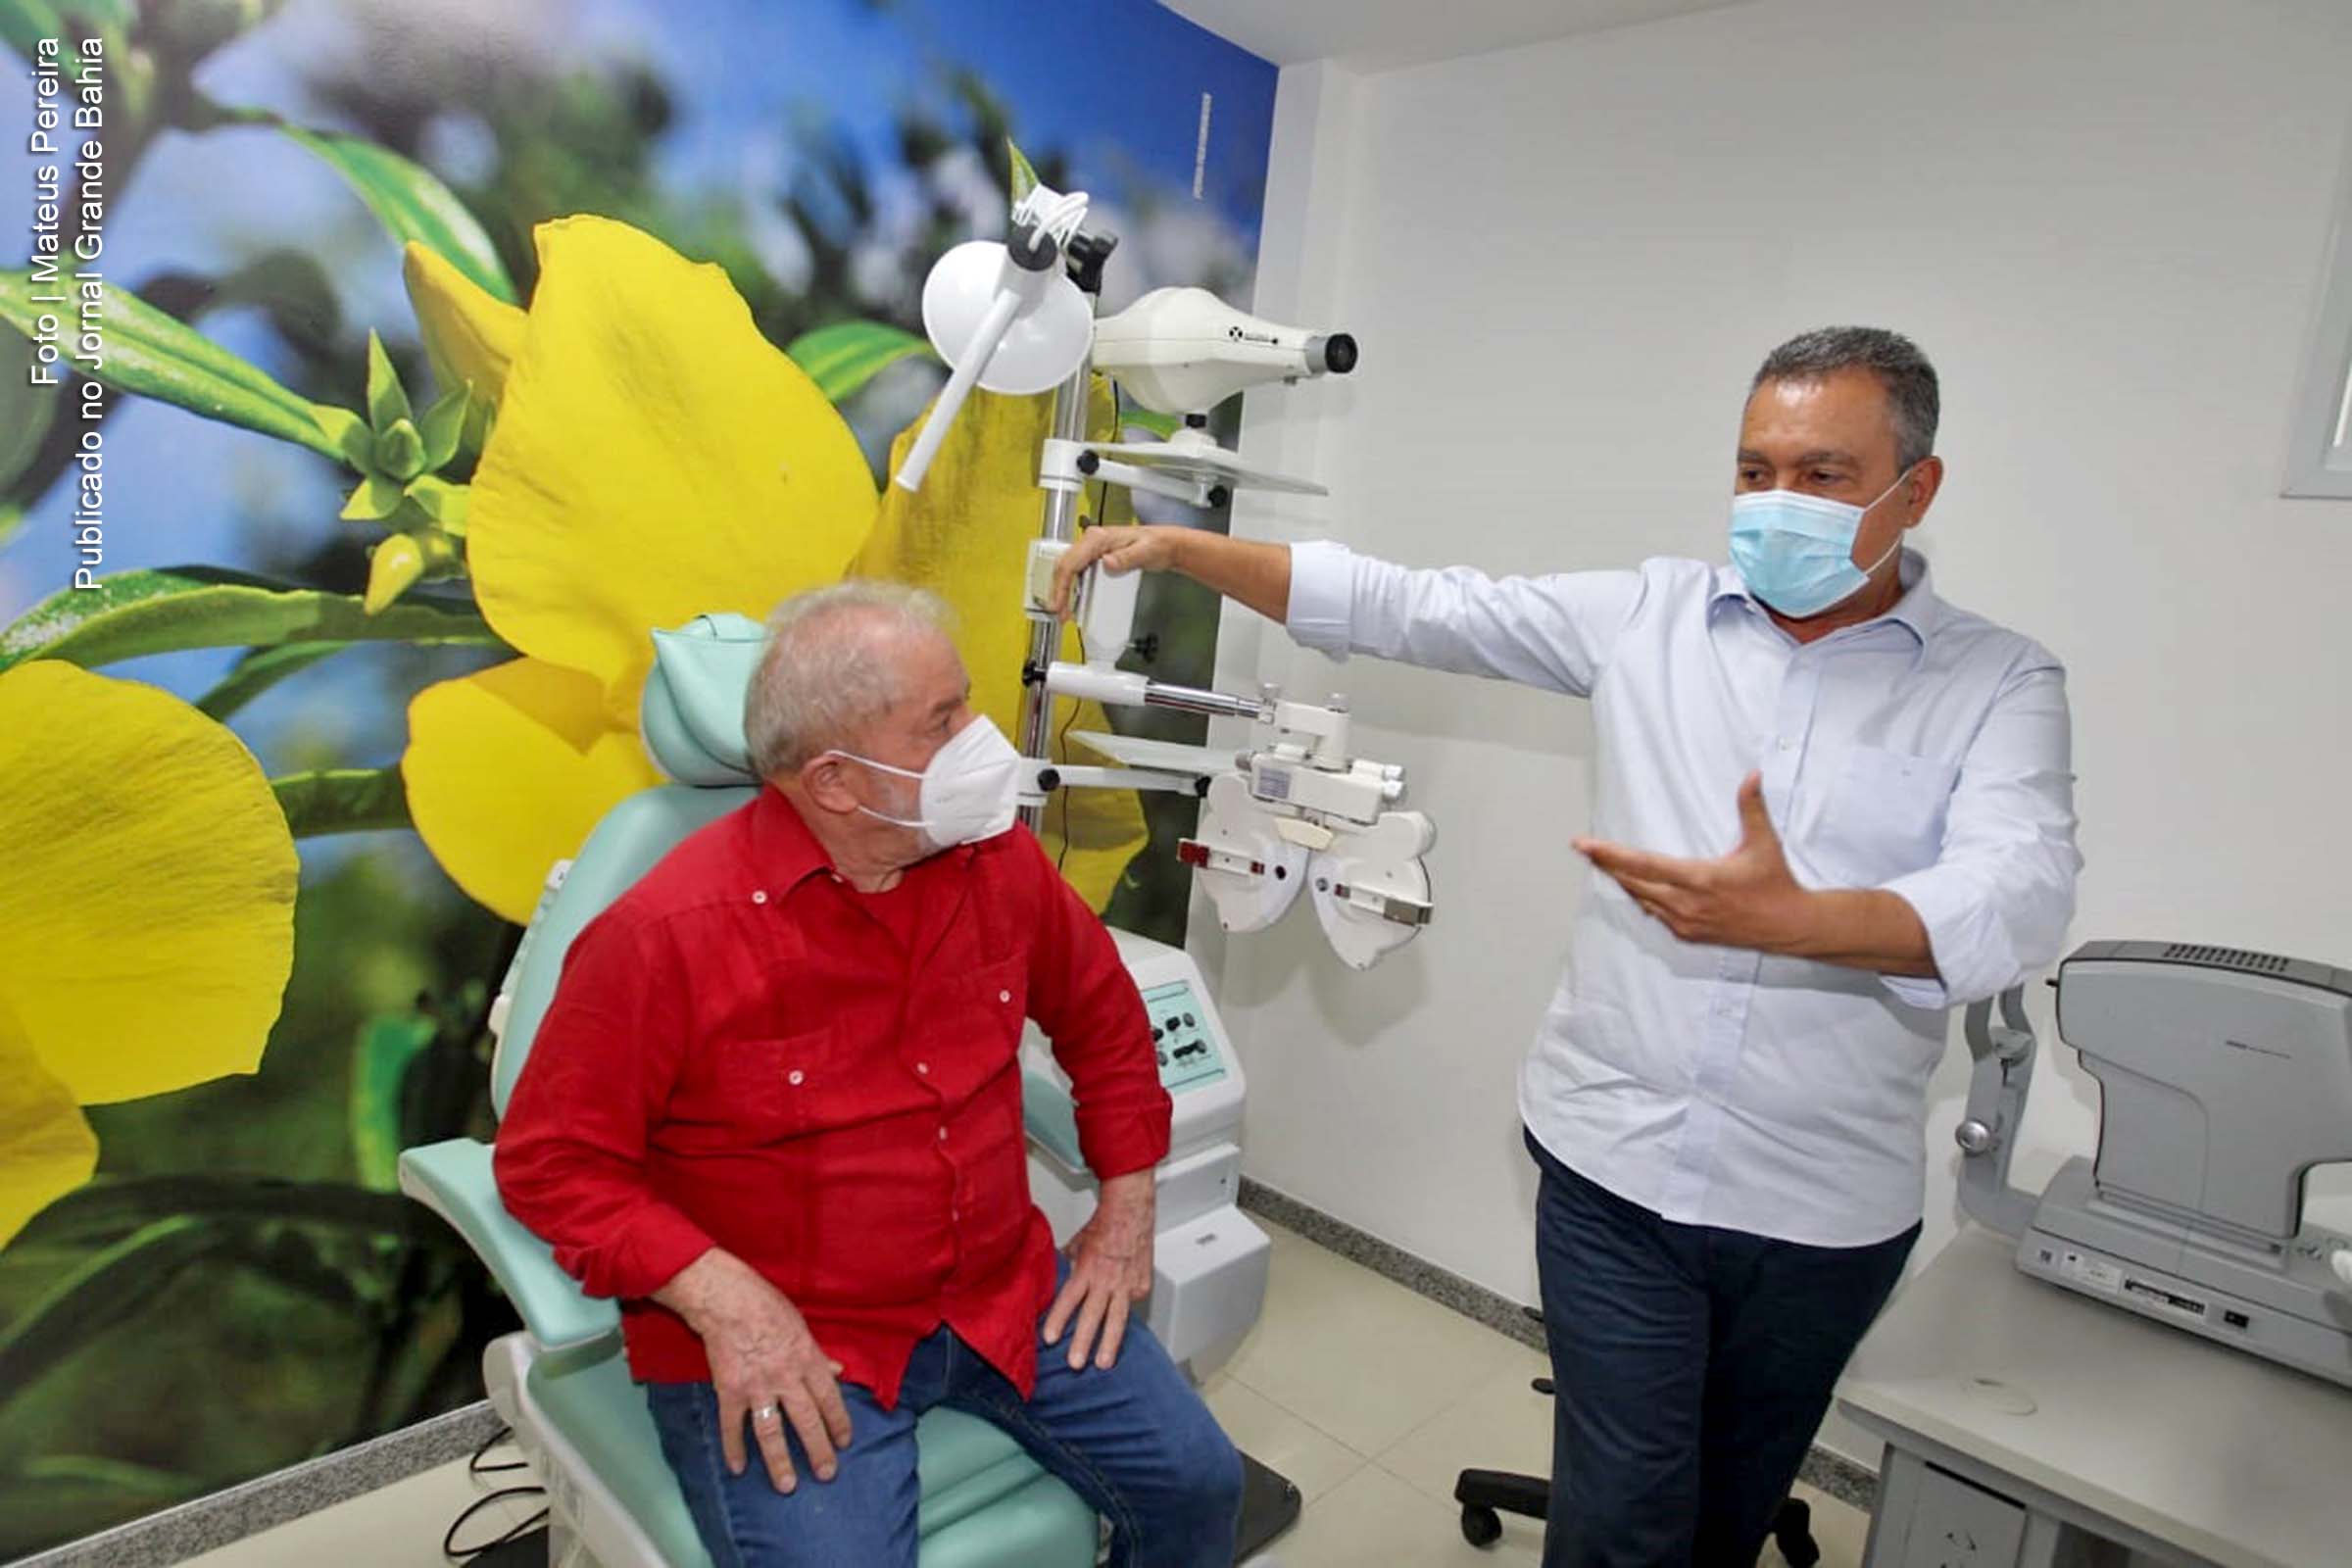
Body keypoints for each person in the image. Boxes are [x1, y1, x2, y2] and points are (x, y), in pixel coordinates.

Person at [1052, 326, 2082, 1567]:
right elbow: (1416, 606)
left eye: (1822, 474)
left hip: (1821, 1208)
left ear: (1916, 491)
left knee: (1725, 1518)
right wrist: (1183, 547)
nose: (1777, 503)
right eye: (1754, 470)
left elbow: (2021, 890)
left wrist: (1812, 921)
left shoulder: (1998, 681)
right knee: (1621, 1524)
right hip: (1612, 1166)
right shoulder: (1652, 615)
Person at [496, 582, 1243, 1568]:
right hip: (801, 1337)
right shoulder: (666, 934)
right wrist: (724, 1298)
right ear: (838, 782)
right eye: (944, 721)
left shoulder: (997, 861)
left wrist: (1125, 1207)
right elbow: (550, 1165)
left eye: (965, 701)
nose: (982, 738)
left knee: (1203, 1484)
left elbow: (1105, 1022)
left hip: (1002, 1291)